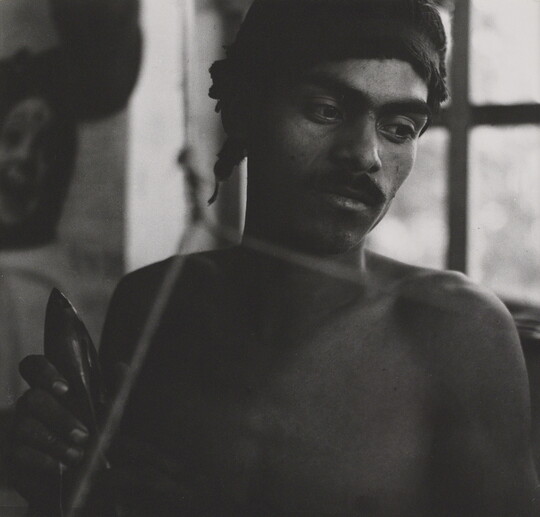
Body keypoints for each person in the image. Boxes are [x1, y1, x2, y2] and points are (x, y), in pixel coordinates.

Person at [7, 0, 540, 515]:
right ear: (244, 111)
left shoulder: (456, 332)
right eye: (326, 110)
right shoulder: (155, 305)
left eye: (399, 129)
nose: (365, 154)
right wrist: (52, 480)